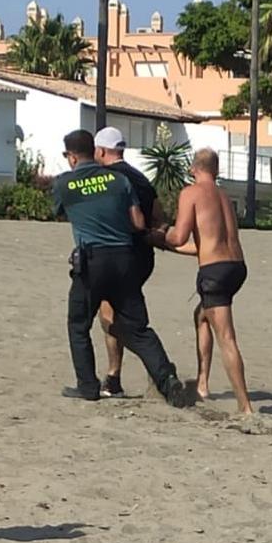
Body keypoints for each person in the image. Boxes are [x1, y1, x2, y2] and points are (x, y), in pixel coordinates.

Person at [54, 130, 192, 407]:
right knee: (138, 329)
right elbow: (140, 223)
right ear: (93, 150)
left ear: (71, 157)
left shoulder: (64, 184)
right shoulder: (120, 180)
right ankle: (168, 381)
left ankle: (88, 385)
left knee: (78, 324)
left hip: (92, 262)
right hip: (126, 260)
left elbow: (61, 210)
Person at [155, 148, 253, 415]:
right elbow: (203, 247)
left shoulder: (191, 193)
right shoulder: (223, 196)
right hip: (237, 267)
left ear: (192, 169)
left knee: (226, 337)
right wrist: (167, 246)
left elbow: (178, 237)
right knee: (201, 315)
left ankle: (245, 406)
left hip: (215, 273)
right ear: (217, 170)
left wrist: (157, 236)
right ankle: (203, 384)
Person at [92, 126, 166, 399]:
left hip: (118, 255)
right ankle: (115, 376)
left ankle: (145, 370)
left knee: (112, 316)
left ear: (100, 151)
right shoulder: (142, 179)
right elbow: (158, 216)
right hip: (144, 256)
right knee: (116, 310)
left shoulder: (104, 179)